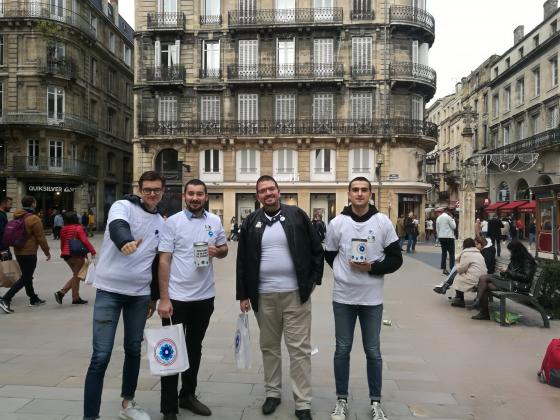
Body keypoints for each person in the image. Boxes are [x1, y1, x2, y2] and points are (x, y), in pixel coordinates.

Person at [236, 175, 324, 420]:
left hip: (296, 295)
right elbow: (242, 260)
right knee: (269, 348)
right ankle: (272, 393)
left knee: (299, 350)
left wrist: (314, 281)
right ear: (258, 196)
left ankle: (303, 402)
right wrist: (243, 294)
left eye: (271, 189)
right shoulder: (251, 221)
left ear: (279, 191)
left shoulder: (297, 215)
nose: (268, 193)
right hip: (263, 296)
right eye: (263, 190)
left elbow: (317, 249)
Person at [83, 171, 165, 420]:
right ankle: (90, 416)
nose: (152, 193)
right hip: (110, 291)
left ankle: (128, 404)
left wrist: (153, 297)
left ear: (163, 192)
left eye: (157, 190)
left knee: (133, 348)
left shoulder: (162, 223)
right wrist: (125, 241)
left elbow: (155, 262)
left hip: (139, 295)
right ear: (140, 189)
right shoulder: (123, 206)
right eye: (147, 189)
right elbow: (118, 226)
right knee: (101, 355)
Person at [324, 177, 403, 420]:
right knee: (342, 349)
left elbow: (396, 259)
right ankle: (341, 400)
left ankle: (376, 403)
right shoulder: (337, 223)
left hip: (371, 298)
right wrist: (343, 273)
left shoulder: (382, 222)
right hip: (344, 297)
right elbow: (329, 254)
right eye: (355, 190)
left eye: (364, 190)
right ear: (348, 193)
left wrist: (372, 268)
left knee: (373, 351)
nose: (359, 194)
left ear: (370, 194)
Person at [157, 179, 228, 420]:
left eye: (200, 194)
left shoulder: (215, 221)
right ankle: (168, 407)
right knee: (171, 350)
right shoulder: (172, 223)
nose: (195, 198)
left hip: (204, 297)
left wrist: (217, 251)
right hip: (176, 298)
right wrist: (163, 298)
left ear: (206, 196)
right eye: (191, 194)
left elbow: (224, 248)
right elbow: (164, 260)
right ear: (184, 197)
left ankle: (187, 395)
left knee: (194, 348)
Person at [0, 195, 51, 314]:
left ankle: (33, 298)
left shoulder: (17, 215)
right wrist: (47, 252)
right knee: (26, 276)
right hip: (29, 252)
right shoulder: (34, 219)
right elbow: (41, 238)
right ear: (33, 204)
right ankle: (6, 299)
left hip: (18, 250)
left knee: (27, 275)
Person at [470, 240, 536, 320]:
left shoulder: (528, 261)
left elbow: (526, 278)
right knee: (485, 285)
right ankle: (482, 310)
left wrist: (508, 272)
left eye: (511, 251)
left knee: (483, 278)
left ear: (516, 250)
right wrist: (504, 272)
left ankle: (479, 304)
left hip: (519, 286)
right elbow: (510, 272)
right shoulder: (515, 258)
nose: (510, 253)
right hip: (510, 282)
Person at [54, 211, 96, 305]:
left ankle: (75, 297)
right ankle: (61, 293)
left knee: (76, 275)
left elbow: (62, 243)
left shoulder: (63, 229)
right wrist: (92, 251)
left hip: (66, 255)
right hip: (76, 255)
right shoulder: (78, 228)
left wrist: (63, 252)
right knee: (77, 276)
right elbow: (84, 241)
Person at [448, 238, 488, 308]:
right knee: (459, 275)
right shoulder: (477, 252)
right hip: (482, 277)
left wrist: (457, 262)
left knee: (458, 277)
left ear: (464, 245)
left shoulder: (466, 253)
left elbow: (461, 269)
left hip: (476, 279)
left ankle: (460, 300)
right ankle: (454, 294)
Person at [435, 209, 456, 275]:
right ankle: (452, 268)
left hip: (441, 237)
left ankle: (444, 269)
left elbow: (437, 229)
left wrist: (438, 237)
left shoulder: (438, 218)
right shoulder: (448, 217)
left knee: (444, 253)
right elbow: (454, 227)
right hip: (449, 237)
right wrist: (453, 220)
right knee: (451, 254)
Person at [0, 196, 13, 260]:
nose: (11, 206)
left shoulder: (3, 214)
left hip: (3, 247)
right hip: (2, 249)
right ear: (3, 204)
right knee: (6, 266)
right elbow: (2, 232)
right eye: (10, 204)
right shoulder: (1, 215)